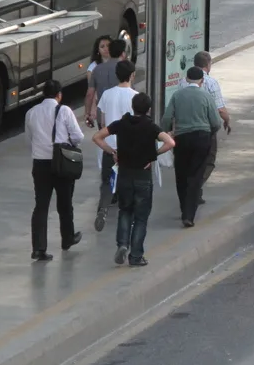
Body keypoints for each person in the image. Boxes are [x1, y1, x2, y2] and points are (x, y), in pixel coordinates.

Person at [93, 93, 175, 267]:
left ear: (132, 107)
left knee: (125, 211)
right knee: (141, 218)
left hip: (124, 176)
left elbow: (97, 137)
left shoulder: (121, 124)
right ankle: (136, 256)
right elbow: (170, 143)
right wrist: (153, 155)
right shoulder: (151, 127)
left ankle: (122, 244)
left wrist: (112, 152)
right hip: (143, 178)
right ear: (149, 109)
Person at [24, 81, 84, 262]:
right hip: (61, 162)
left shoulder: (31, 112)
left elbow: (29, 140)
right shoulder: (64, 111)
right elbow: (78, 136)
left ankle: (38, 249)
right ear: (59, 95)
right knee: (65, 203)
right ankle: (67, 238)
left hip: (40, 163)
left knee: (41, 206)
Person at [161, 67, 222, 227]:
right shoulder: (206, 96)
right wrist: (209, 133)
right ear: (202, 80)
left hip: (182, 138)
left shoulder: (177, 95)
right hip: (202, 138)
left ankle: (184, 208)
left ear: (187, 79)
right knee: (196, 175)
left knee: (181, 174)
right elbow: (216, 122)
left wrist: (166, 132)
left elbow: (167, 117)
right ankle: (189, 215)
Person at [93, 60, 139, 232]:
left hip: (110, 146)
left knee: (107, 181)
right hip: (128, 148)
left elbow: (103, 122)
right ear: (132, 75)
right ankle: (127, 217)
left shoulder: (107, 94)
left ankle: (103, 209)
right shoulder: (135, 96)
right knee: (128, 183)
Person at [186, 51, 231, 205]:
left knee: (190, 160)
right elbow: (220, 109)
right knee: (208, 160)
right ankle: (195, 186)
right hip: (205, 129)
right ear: (208, 64)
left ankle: (193, 188)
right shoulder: (211, 83)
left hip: (185, 128)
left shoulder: (183, 82)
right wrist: (227, 121)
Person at [83, 34, 110, 127]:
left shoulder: (118, 62)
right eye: (102, 46)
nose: (106, 48)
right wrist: (91, 109)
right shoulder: (93, 68)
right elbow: (91, 92)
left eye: (108, 45)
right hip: (102, 106)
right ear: (98, 50)